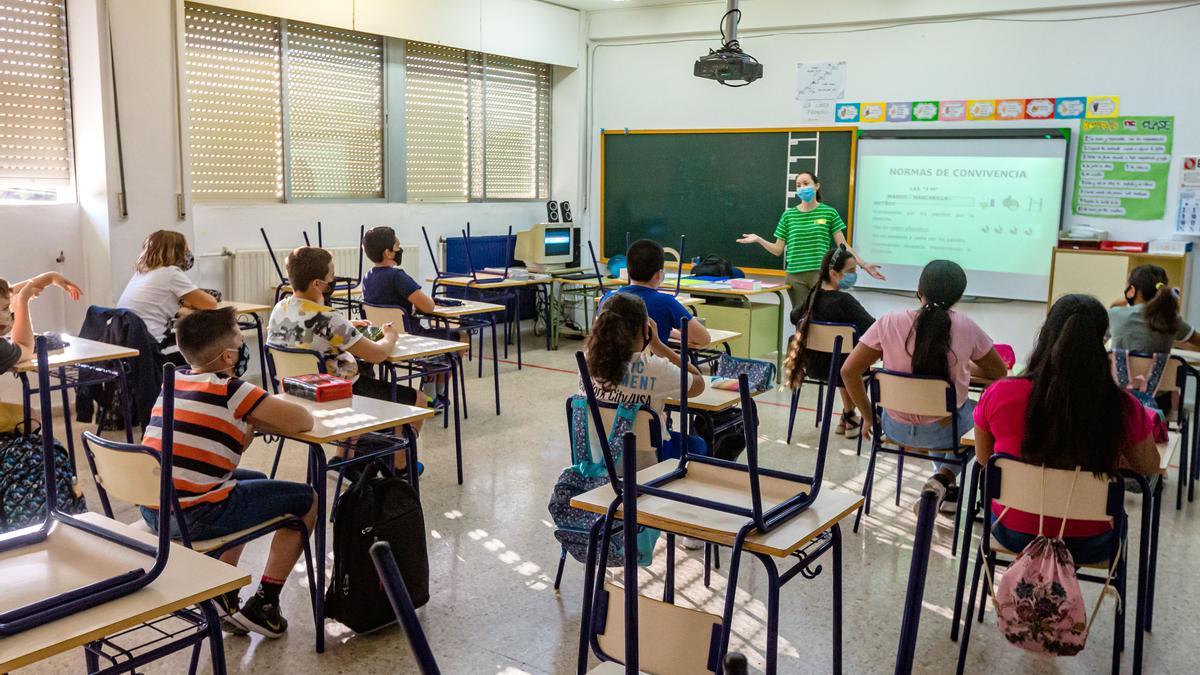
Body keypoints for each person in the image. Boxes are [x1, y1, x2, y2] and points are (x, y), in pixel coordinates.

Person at [140, 307, 317, 637]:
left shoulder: (173, 379)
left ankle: (222, 586)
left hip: (155, 508)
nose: (243, 343)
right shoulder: (232, 389)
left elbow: (217, 449)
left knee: (257, 482)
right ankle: (265, 603)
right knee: (306, 500)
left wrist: (247, 420)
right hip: (195, 514)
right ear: (227, 356)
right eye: (240, 338)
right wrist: (254, 416)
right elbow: (303, 421)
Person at [973, 294, 1160, 563]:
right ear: (1101, 342)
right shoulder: (1123, 406)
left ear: (1045, 334)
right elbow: (1148, 467)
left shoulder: (999, 394)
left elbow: (984, 460)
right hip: (1089, 542)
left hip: (1013, 531)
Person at [840, 260, 1007, 513]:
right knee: (981, 421)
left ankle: (945, 490)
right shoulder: (966, 326)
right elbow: (999, 372)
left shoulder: (888, 322)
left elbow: (849, 370)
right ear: (958, 296)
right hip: (946, 433)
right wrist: (964, 366)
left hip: (893, 428)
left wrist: (868, 417)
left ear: (919, 289)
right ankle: (945, 478)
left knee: (944, 412)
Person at [267, 247, 425, 443]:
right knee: (419, 399)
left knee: (365, 373)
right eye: (332, 275)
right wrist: (390, 336)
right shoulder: (330, 319)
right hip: (335, 394)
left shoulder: (280, 308)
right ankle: (401, 461)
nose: (334, 280)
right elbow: (377, 355)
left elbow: (306, 330)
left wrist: (346, 325)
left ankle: (347, 454)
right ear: (318, 284)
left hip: (293, 390)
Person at [584, 292, 707, 463]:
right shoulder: (656, 368)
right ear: (646, 329)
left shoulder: (585, 361)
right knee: (697, 444)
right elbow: (698, 383)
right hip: (645, 466)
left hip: (597, 459)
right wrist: (658, 345)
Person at [737, 171, 884, 309]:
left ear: (817, 185)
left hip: (819, 274)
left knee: (821, 315)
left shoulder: (829, 212)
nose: (802, 188)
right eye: (798, 185)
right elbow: (777, 250)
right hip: (795, 277)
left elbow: (843, 245)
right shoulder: (788, 216)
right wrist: (759, 239)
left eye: (806, 183)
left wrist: (864, 265)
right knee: (801, 320)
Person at [783, 244, 874, 437]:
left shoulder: (813, 296)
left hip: (813, 367)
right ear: (834, 273)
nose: (853, 275)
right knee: (853, 360)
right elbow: (873, 328)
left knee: (842, 357)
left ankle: (848, 416)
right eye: (850, 271)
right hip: (844, 371)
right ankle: (850, 418)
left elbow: (794, 317)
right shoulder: (845, 302)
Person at [118, 230, 218, 346]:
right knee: (210, 342)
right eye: (186, 250)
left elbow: (169, 308)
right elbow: (211, 304)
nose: (188, 254)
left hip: (128, 341)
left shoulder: (141, 273)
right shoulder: (171, 274)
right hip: (151, 344)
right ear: (177, 252)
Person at [604, 239, 710, 347]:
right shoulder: (665, 302)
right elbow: (704, 339)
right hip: (649, 362)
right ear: (659, 275)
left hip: (612, 362)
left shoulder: (608, 299)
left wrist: (671, 333)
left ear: (627, 271)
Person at [0, 271, 82, 371]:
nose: (10, 312)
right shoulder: (2, 350)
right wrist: (22, 302)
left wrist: (50, 278)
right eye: (5, 308)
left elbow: (6, 295)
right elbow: (25, 348)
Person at [1109, 264, 1200, 353]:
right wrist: (1172, 340)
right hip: (1160, 368)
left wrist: (1113, 306)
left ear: (1131, 291)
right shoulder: (1171, 319)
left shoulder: (1115, 314)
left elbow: (1099, 340)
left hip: (1119, 368)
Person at [361, 226, 436, 321]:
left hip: (380, 333)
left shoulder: (367, 277)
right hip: (407, 334)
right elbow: (428, 307)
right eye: (397, 246)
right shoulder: (397, 277)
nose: (400, 249)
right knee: (454, 334)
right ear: (388, 253)